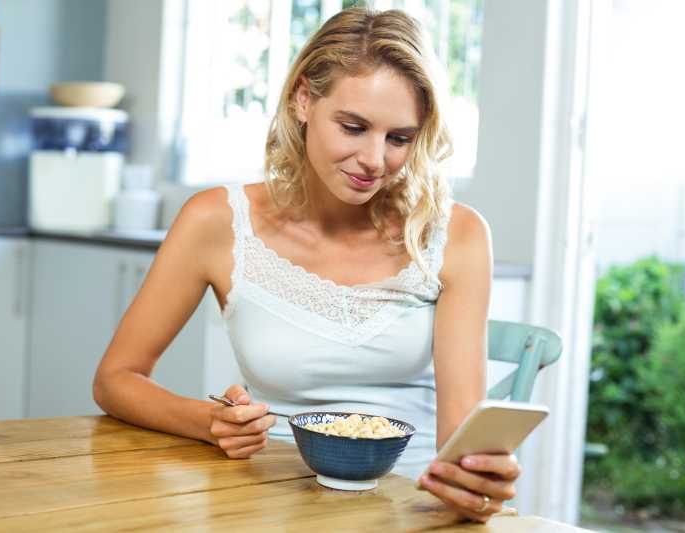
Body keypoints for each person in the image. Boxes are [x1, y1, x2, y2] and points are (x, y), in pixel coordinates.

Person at [93, 7, 520, 524]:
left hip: (409, 504)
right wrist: (209, 422)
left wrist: (475, 481)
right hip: (268, 500)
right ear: (303, 100)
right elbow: (116, 379)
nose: (374, 159)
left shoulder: (456, 234)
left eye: (399, 138)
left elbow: (459, 442)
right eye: (353, 127)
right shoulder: (216, 221)